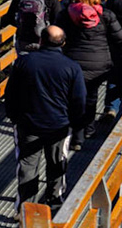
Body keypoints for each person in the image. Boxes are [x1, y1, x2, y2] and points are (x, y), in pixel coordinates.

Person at [5, 26, 85, 207]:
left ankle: (25, 206)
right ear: (63, 43)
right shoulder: (72, 67)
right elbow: (78, 99)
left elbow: (11, 93)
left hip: (28, 122)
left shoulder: (24, 62)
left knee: (27, 164)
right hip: (59, 124)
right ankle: (54, 199)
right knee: (57, 162)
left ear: (41, 40)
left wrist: (13, 116)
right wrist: (75, 121)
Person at [59, 0, 122, 149]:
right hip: (99, 63)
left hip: (72, 62)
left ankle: (76, 137)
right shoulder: (106, 15)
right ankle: (88, 129)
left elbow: (57, 35)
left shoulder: (66, 14)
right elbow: (121, 39)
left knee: (73, 97)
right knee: (91, 96)